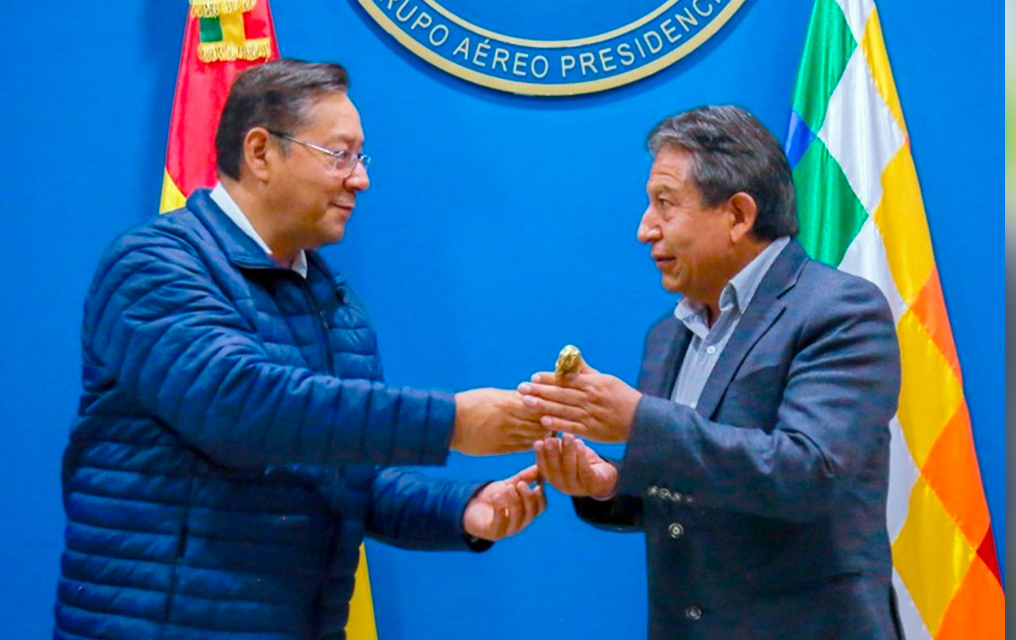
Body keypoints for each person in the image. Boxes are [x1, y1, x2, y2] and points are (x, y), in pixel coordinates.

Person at [54, 59, 548, 640]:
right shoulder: (155, 267)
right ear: (261, 153)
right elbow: (238, 406)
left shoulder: (337, 306)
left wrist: (466, 509)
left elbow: (348, 476)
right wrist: (451, 421)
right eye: (339, 155)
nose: (359, 178)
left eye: (361, 157)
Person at [520, 105, 903, 639]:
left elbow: (809, 473)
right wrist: (610, 483)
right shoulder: (666, 335)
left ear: (739, 215)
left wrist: (638, 423)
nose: (643, 229)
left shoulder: (841, 312)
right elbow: (689, 482)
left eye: (664, 204)